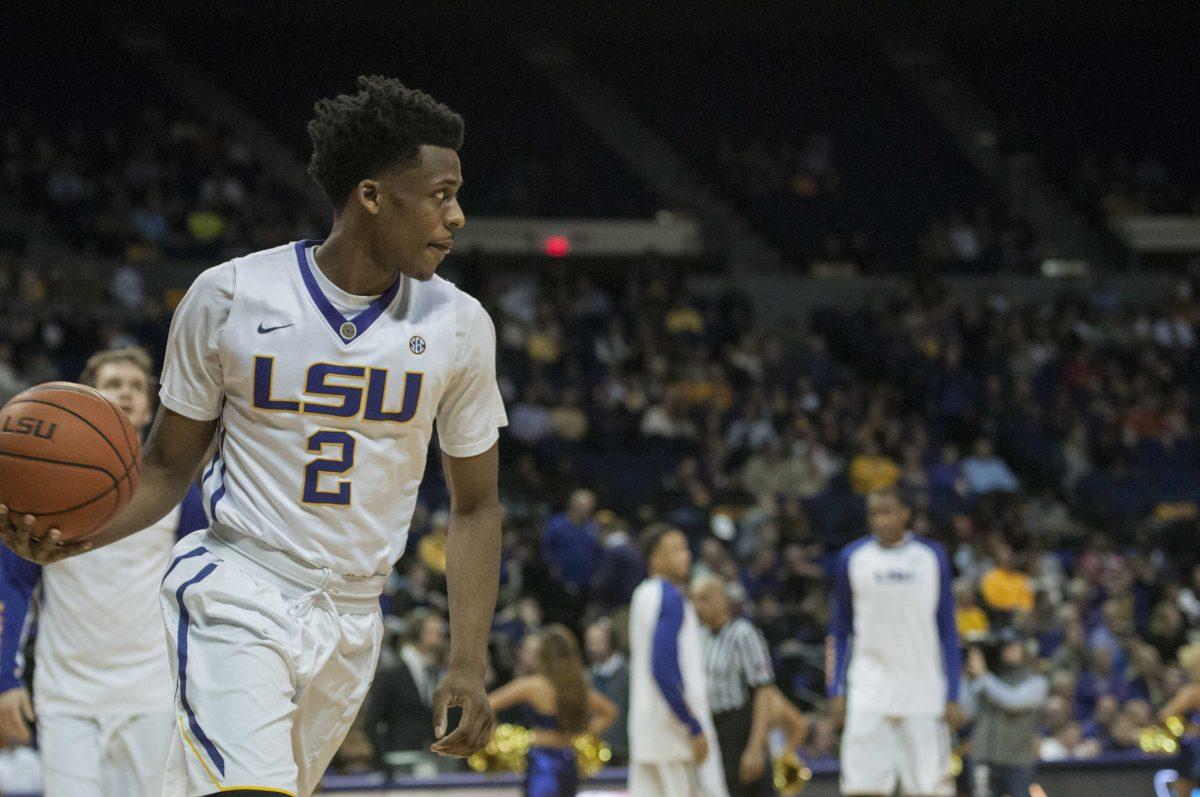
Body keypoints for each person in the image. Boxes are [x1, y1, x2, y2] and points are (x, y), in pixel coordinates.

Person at [0, 75, 508, 797]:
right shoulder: (231, 295)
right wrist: (74, 535)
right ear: (371, 195)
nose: (457, 215)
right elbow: (167, 466)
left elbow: (476, 505)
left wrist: (468, 658)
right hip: (240, 589)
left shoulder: (459, 324)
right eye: (440, 193)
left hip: (354, 617)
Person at [0, 347, 207, 797]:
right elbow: (13, 586)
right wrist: (4, 679)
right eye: (113, 385)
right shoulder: (44, 490)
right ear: (87, 398)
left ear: (152, 407)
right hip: (66, 696)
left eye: (136, 387)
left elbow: (199, 593)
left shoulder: (179, 497)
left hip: (152, 693)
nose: (127, 394)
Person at [828, 487, 962, 797]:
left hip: (923, 690)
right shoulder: (853, 558)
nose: (880, 520)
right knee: (862, 788)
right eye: (874, 513)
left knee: (930, 789)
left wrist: (952, 693)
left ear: (905, 513)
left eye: (887, 511)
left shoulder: (931, 557)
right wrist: (835, 688)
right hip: (869, 688)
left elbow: (947, 630)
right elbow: (839, 630)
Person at [628, 523, 728, 797]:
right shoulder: (670, 597)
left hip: (646, 729)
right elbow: (662, 668)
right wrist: (692, 725)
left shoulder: (641, 595)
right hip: (673, 732)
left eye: (685, 548)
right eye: (676, 550)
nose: (686, 556)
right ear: (654, 558)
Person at [487, 624, 617, 797]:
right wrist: (581, 734)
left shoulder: (534, 685)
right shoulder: (577, 688)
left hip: (541, 760)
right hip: (568, 759)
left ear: (543, 656)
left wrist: (501, 739)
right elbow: (610, 712)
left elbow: (488, 704)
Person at [691, 575, 775, 797]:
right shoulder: (699, 637)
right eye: (695, 600)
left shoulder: (744, 634)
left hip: (739, 728)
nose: (697, 606)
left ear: (722, 600)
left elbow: (764, 690)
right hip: (711, 728)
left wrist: (756, 747)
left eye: (704, 599)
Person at [961, 629, 1048, 797]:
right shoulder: (985, 681)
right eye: (1004, 647)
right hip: (984, 758)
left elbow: (1011, 701)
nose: (1008, 651)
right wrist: (967, 677)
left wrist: (983, 676)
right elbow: (967, 712)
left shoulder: (1036, 682)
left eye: (1013, 646)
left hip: (1017, 762)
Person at [364, 608, 447, 766]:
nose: (440, 637)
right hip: (398, 760)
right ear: (417, 634)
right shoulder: (391, 673)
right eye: (434, 632)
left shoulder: (434, 672)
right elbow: (371, 722)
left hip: (429, 759)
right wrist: (384, 761)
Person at [1156, 644, 1200, 797]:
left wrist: (1182, 727)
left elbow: (1164, 715)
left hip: (1194, 747)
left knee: (1183, 788)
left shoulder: (1193, 691)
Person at [584, 619, 629, 763]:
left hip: (623, 750)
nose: (593, 647)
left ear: (611, 642)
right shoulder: (586, 677)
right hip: (592, 751)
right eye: (590, 642)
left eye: (598, 641)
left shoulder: (629, 674)